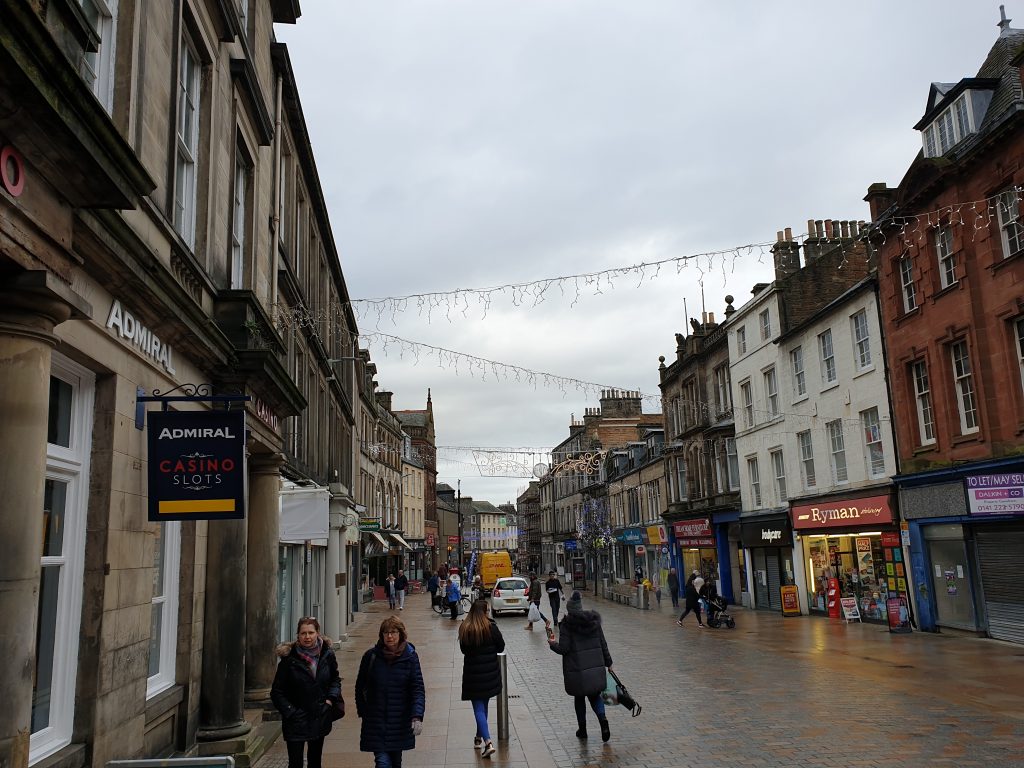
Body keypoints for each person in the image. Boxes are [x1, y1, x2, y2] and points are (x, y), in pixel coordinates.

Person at [271, 617, 342, 768]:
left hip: (319, 715)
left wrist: (329, 701)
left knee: (315, 761)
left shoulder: (327, 655)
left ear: (317, 633)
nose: (307, 637)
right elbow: (277, 692)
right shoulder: (288, 660)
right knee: (295, 763)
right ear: (298, 635)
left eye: (311, 632)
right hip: (296, 720)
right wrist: (291, 712)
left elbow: (335, 680)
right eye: (303, 633)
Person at [356, 617, 426, 768]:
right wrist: (363, 711)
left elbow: (417, 688)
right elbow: (360, 686)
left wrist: (417, 715)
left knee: (395, 762)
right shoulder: (371, 656)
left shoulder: (410, 657)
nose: (389, 636)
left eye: (393, 632)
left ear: (401, 634)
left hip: (399, 721)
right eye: (386, 633)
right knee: (382, 762)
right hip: (376, 722)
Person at [547, 591, 613, 742]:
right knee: (595, 695)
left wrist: (552, 644)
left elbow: (563, 649)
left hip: (576, 670)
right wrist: (609, 663)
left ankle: (582, 730)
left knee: (579, 698)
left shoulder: (567, 625)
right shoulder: (594, 622)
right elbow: (603, 644)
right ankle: (603, 722)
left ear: (570, 610)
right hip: (595, 668)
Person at [458, 599, 505, 759]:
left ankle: (483, 739)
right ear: (484, 612)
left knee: (479, 708)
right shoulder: (491, 628)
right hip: (490, 674)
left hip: (473, 675)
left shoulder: (465, 628)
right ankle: (486, 742)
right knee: (483, 707)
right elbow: (501, 646)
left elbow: (463, 650)